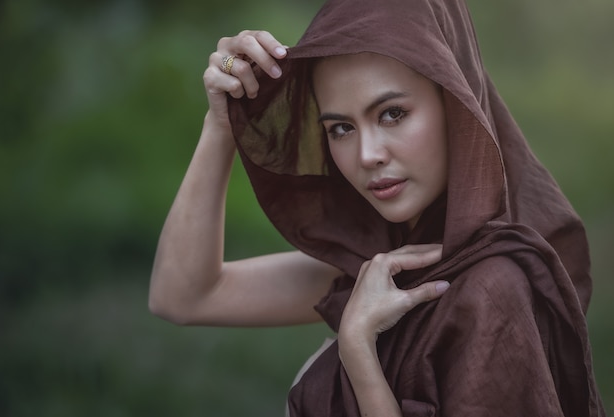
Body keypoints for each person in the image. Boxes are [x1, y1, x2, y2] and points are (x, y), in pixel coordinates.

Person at [149, 0, 605, 415]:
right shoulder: (387, 264)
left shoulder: (490, 292)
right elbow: (184, 295)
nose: (367, 154)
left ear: (455, 104)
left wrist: (359, 354)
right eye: (341, 128)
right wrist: (222, 122)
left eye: (392, 114)